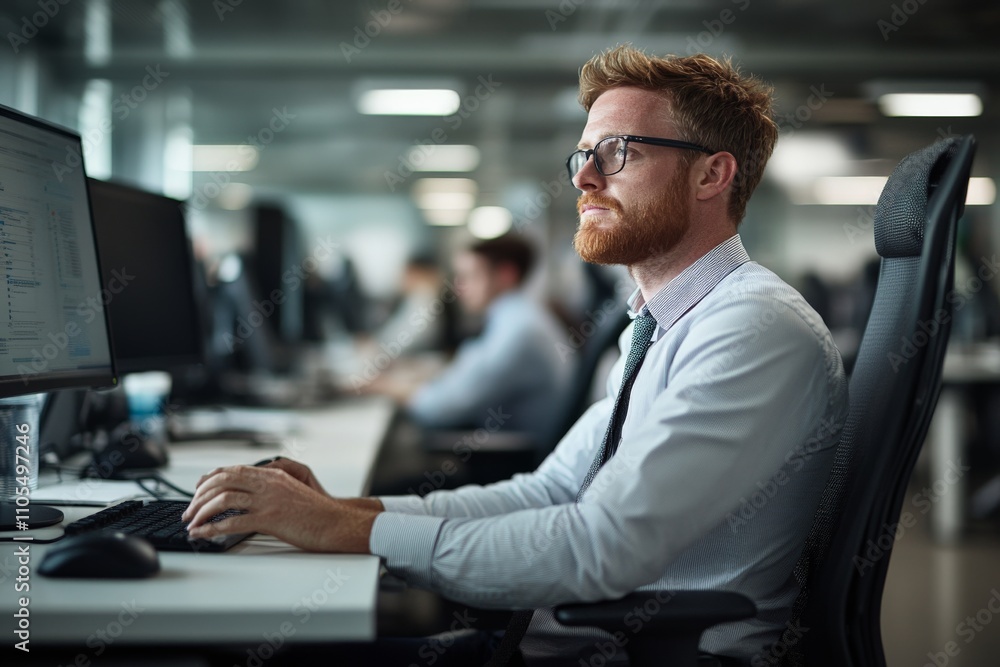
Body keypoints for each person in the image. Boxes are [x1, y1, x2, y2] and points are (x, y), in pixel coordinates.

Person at [184, 45, 847, 666]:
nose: (584, 177)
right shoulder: (667, 325)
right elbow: (550, 491)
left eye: (617, 152)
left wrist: (344, 530)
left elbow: (599, 546)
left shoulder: (754, 329)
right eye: (583, 154)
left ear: (712, 173)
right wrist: (348, 511)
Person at [364, 234, 574, 451]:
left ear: (506, 275)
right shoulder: (518, 316)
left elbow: (441, 408)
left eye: (470, 276)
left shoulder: (519, 330)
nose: (459, 287)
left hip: (510, 456)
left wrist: (388, 387)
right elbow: (470, 375)